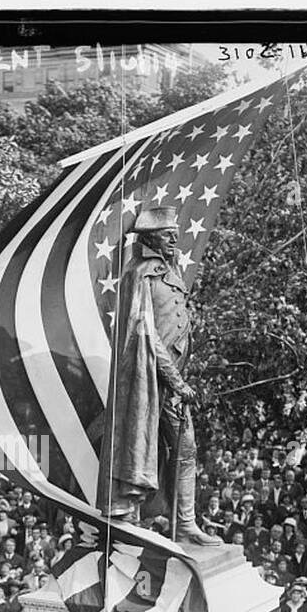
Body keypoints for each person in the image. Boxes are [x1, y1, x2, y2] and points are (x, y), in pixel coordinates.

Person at [95, 205, 216, 545]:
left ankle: (186, 523)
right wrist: (175, 380)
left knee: (185, 450)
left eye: (176, 233)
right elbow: (143, 331)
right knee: (140, 445)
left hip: (172, 377)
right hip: (150, 376)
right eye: (167, 234)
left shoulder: (168, 271)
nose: (175, 239)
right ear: (150, 238)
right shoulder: (141, 273)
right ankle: (128, 518)